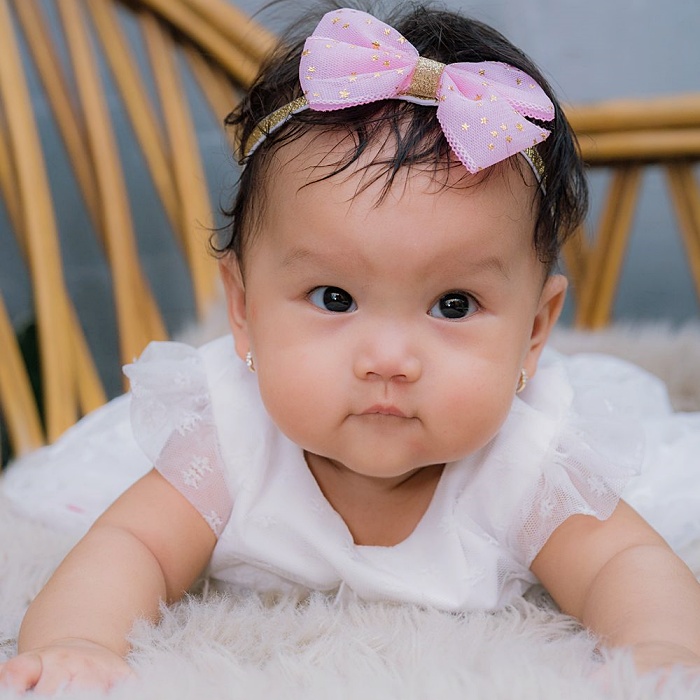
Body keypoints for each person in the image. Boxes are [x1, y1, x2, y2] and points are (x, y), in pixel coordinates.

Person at [2, 3, 700, 693]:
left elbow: (625, 564)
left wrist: (661, 649)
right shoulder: (230, 435)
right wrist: (78, 642)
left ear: (535, 332)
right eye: (334, 298)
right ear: (241, 310)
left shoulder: (526, 460)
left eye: (453, 305)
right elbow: (132, 548)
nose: (389, 358)